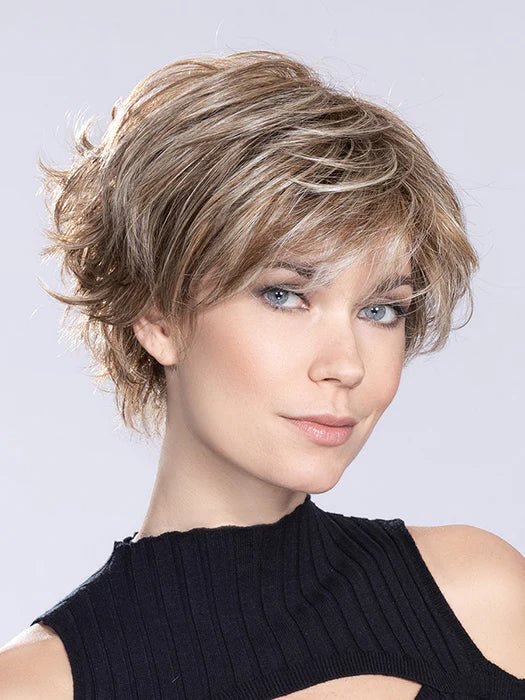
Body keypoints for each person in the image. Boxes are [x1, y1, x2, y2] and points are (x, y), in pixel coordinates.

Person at [0, 50, 523, 699]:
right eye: (284, 295)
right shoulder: (37, 686)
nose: (346, 365)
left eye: (380, 310)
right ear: (158, 317)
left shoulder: (479, 597)